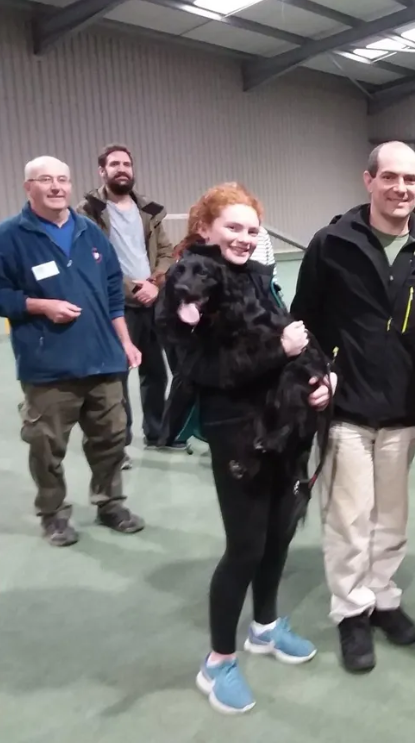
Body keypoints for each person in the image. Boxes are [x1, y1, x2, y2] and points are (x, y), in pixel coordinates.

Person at [156, 182, 336, 715]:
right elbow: (201, 370)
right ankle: (218, 661)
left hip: (286, 426)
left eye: (252, 229)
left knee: (280, 533)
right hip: (237, 431)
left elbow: (294, 336)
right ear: (205, 228)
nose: (244, 237)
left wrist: (322, 381)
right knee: (245, 547)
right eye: (232, 227)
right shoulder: (188, 288)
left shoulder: (257, 277)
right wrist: (278, 351)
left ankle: (265, 625)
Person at [290, 141, 415, 674]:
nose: (401, 188)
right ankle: (351, 610)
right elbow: (304, 322)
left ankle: (383, 596)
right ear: (369, 180)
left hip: (404, 407)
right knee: (349, 516)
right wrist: (317, 377)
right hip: (346, 407)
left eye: (410, 179)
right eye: (390, 177)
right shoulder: (332, 243)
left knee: (392, 516)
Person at [0, 156, 144, 547]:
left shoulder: (89, 231)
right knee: (46, 446)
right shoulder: (10, 236)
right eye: (45, 179)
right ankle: (54, 514)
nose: (56, 187)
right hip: (49, 364)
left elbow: (113, 291)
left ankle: (110, 503)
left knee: (111, 438)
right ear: (28, 187)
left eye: (62, 179)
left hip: (103, 359)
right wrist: (39, 305)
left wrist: (125, 342)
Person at [77, 144, 178, 456]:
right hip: (116, 306)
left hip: (152, 301)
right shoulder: (87, 212)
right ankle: (118, 444)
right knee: (117, 376)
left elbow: (166, 252)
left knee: (156, 373)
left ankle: (157, 434)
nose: (122, 169)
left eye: (126, 164)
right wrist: (132, 288)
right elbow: (90, 259)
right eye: (114, 164)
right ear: (102, 171)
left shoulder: (148, 210)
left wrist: (155, 283)